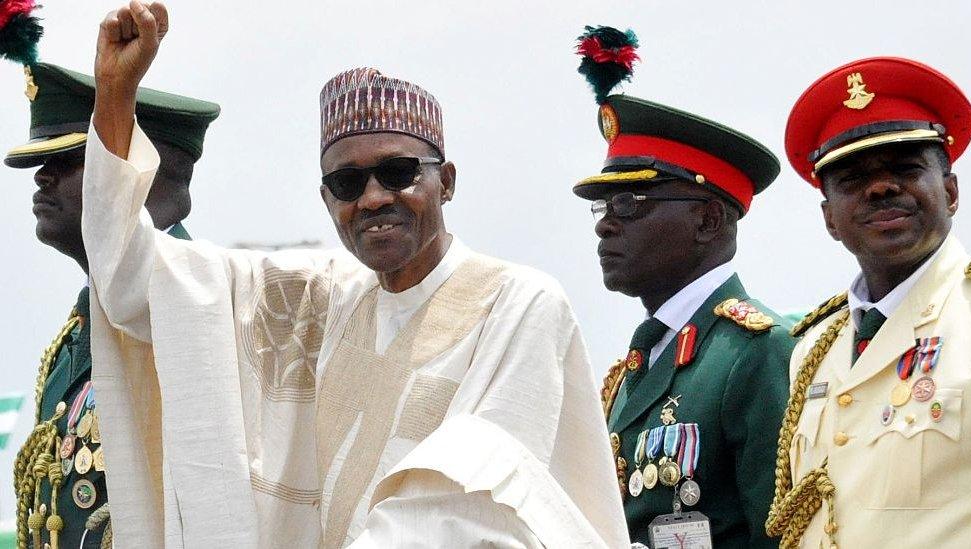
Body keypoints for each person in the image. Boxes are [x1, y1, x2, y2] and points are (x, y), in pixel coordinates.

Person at [80, 2, 628, 547]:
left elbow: (469, 507)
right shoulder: (317, 303)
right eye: (347, 183)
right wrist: (113, 96)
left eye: (398, 173)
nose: (373, 199)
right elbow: (131, 281)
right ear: (326, 199)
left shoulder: (518, 305)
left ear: (448, 182)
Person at [573, 25, 794, 548]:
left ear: (708, 221)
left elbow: (781, 537)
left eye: (629, 203)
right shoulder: (637, 365)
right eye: (602, 207)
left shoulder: (755, 352)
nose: (606, 223)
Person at [766, 56, 971, 549]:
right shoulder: (814, 347)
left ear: (949, 192)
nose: (881, 187)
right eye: (852, 180)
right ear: (830, 220)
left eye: (905, 168)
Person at [6, 62, 218, 549]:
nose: (42, 178)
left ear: (142, 173)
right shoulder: (74, 338)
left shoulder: (200, 311)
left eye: (71, 159)